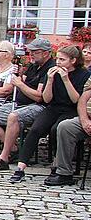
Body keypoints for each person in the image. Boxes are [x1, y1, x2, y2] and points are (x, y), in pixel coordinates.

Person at [8, 45, 89, 183]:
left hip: (71, 109)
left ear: (73, 60)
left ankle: (57, 166)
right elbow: (46, 99)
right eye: (57, 59)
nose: (58, 62)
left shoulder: (83, 74)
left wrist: (65, 79)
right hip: (54, 107)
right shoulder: (52, 72)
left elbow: (76, 99)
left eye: (62, 60)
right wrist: (50, 80)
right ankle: (20, 168)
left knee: (56, 129)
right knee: (35, 130)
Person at [0, 38, 55, 172]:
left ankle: (3, 158)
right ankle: (13, 148)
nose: (30, 54)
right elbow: (22, 81)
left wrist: (19, 83)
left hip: (39, 107)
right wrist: (19, 77)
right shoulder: (33, 66)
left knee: (13, 116)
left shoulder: (49, 68)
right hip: (19, 102)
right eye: (30, 51)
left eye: (34, 52)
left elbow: (39, 97)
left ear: (45, 53)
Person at [46, 76, 91, 186]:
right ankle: (64, 173)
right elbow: (83, 99)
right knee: (65, 127)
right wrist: (85, 121)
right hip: (88, 119)